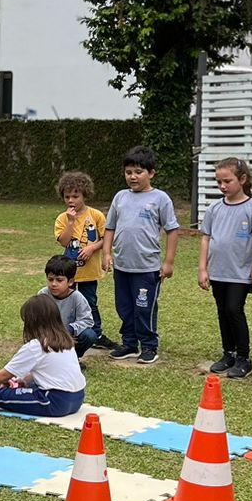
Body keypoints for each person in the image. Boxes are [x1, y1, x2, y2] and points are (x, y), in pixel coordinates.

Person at [101, 146, 179, 363]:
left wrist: (169, 262)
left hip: (147, 268)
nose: (133, 177)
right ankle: (129, 343)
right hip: (122, 266)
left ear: (151, 173)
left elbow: (172, 230)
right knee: (124, 307)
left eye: (138, 172)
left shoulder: (160, 198)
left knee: (144, 307)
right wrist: (106, 253)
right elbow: (110, 228)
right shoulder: (120, 197)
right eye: (128, 172)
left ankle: (148, 345)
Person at [198, 157, 252, 380]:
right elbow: (206, 238)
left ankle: (244, 358)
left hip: (240, 273)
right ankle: (228, 353)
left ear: (243, 179)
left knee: (234, 310)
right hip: (218, 271)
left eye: (227, 181)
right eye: (219, 182)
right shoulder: (215, 208)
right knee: (222, 311)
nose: (222, 186)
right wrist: (203, 268)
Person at [0, 294, 86, 418]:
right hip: (77, 398)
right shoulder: (65, 340)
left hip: (54, 401)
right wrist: (22, 381)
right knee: (29, 385)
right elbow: (48, 371)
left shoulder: (36, 346)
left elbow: (4, 375)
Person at [54, 170, 113, 346]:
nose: (71, 200)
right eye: (67, 197)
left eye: (75, 196)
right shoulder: (62, 218)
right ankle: (68, 333)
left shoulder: (96, 216)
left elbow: (106, 238)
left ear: (85, 195)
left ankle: (96, 334)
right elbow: (64, 242)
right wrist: (71, 222)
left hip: (89, 271)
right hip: (69, 273)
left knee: (90, 303)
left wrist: (92, 248)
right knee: (68, 303)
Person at [40, 256, 100, 357]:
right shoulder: (43, 295)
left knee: (89, 335)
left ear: (70, 282)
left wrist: (70, 329)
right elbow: (35, 319)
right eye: (50, 279)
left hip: (70, 336)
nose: (53, 284)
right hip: (48, 336)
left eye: (59, 280)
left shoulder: (77, 297)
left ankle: (74, 358)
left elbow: (87, 321)